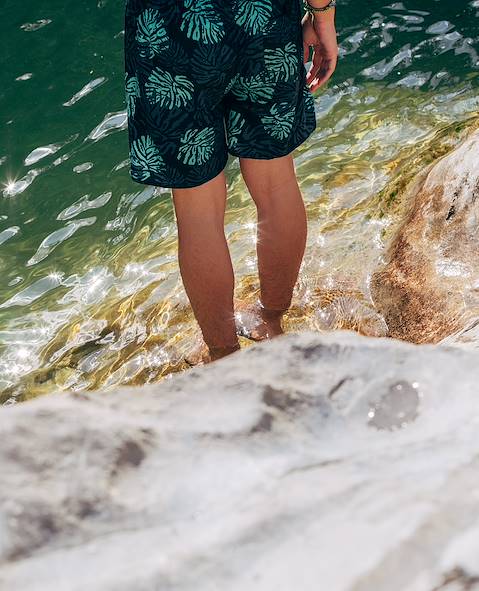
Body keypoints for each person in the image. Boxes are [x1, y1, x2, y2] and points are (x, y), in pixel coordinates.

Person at [124, 0, 338, 363]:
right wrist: (323, 15)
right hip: (263, 18)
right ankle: (272, 320)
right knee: (276, 183)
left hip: (168, 29)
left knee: (198, 215)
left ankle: (224, 356)